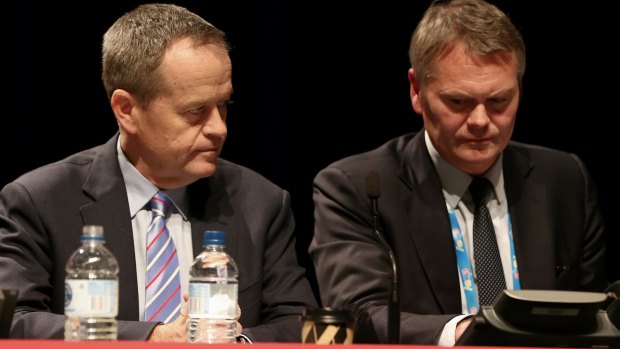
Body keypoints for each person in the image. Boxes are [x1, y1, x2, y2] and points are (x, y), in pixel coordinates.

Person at [0, 3, 316, 342]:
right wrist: (151, 338)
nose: (218, 128)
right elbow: (14, 321)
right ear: (127, 110)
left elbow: (300, 323)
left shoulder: (261, 203)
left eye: (223, 105)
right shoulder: (41, 201)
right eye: (196, 111)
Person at [309, 0, 607, 345]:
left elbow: (593, 313)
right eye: (459, 102)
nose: (480, 121)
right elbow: (358, 315)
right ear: (416, 91)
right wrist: (475, 334)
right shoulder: (357, 187)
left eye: (499, 101)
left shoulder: (565, 179)